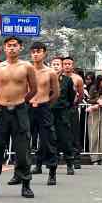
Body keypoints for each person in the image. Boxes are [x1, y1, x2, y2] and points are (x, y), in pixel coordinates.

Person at [0, 36, 38, 199]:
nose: (12, 48)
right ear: (4, 48)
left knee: (22, 148)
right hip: (1, 110)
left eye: (15, 45)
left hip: (20, 110)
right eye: (9, 45)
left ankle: (26, 184)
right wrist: (3, 102)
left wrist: (21, 102)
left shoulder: (27, 66)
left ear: (20, 48)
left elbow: (33, 89)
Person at [27, 42, 61, 181]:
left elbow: (56, 93)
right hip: (28, 107)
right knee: (24, 139)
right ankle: (21, 171)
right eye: (33, 51)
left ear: (44, 53)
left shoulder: (50, 72)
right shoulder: (26, 70)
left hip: (44, 107)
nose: (36, 54)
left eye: (39, 51)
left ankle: (52, 172)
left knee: (48, 140)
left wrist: (46, 103)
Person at [50, 56, 78, 176]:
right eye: (54, 64)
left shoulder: (67, 80)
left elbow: (72, 97)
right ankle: (49, 165)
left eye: (58, 64)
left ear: (62, 67)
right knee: (50, 140)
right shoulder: (46, 79)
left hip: (62, 113)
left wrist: (67, 107)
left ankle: (70, 164)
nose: (56, 66)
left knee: (66, 140)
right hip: (49, 113)